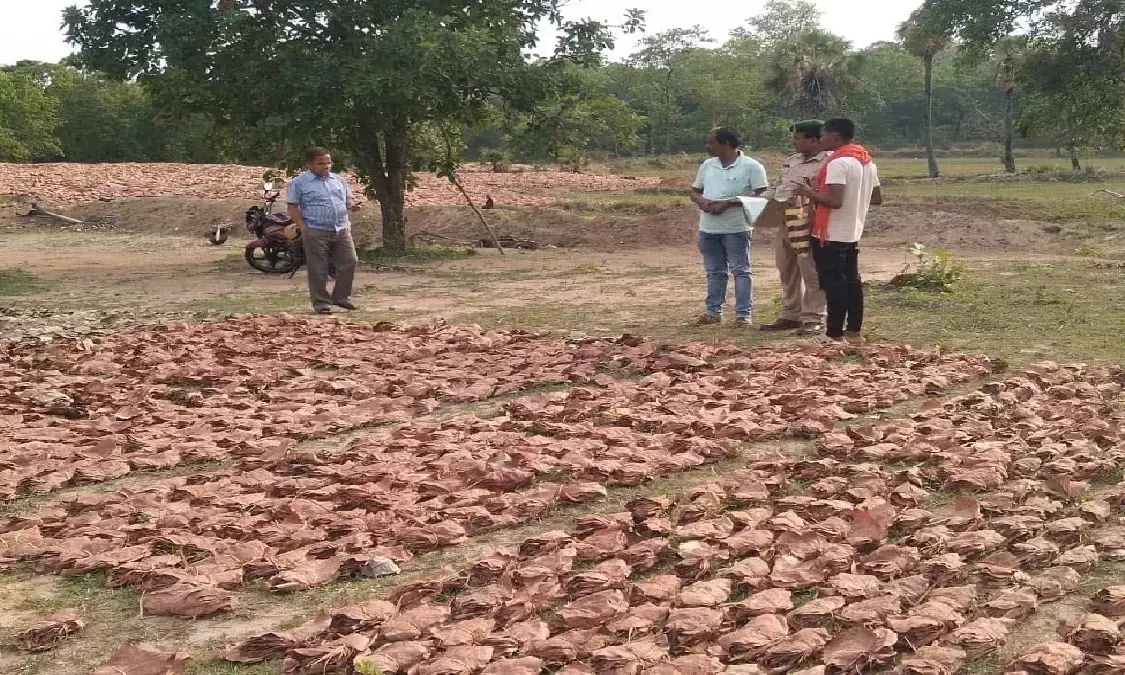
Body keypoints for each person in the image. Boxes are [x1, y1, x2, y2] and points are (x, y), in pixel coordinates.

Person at [796, 118, 882, 343]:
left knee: (834, 285)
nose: (821, 139)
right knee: (852, 283)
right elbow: (876, 198)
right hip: (852, 231)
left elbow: (834, 201)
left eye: (823, 135)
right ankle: (853, 332)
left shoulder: (838, 163)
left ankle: (834, 334)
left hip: (830, 234)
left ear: (836, 136)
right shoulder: (867, 162)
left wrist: (810, 192)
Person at [689, 127, 769, 326]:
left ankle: (743, 315)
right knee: (714, 271)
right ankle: (713, 312)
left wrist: (729, 202)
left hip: (736, 227)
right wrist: (702, 202)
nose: (707, 146)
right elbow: (694, 190)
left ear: (725, 143)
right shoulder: (708, 165)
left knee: (740, 270)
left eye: (711, 142)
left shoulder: (751, 166)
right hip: (708, 228)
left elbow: (761, 194)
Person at [759, 120, 829, 336]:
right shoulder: (792, 161)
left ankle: (814, 317)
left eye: (799, 138)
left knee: (811, 270)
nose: (795, 143)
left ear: (814, 140)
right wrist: (760, 201)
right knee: (786, 268)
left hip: (809, 221)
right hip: (784, 219)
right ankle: (791, 313)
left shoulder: (828, 162)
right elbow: (776, 186)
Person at [287, 147, 362, 315]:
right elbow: (292, 206)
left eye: (328, 162)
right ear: (310, 164)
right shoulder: (299, 183)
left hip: (341, 228)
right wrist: (301, 225)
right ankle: (321, 303)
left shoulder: (338, 180)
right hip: (315, 230)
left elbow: (348, 199)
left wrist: (352, 205)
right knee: (318, 268)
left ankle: (341, 297)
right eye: (321, 163)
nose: (326, 166)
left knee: (350, 261)